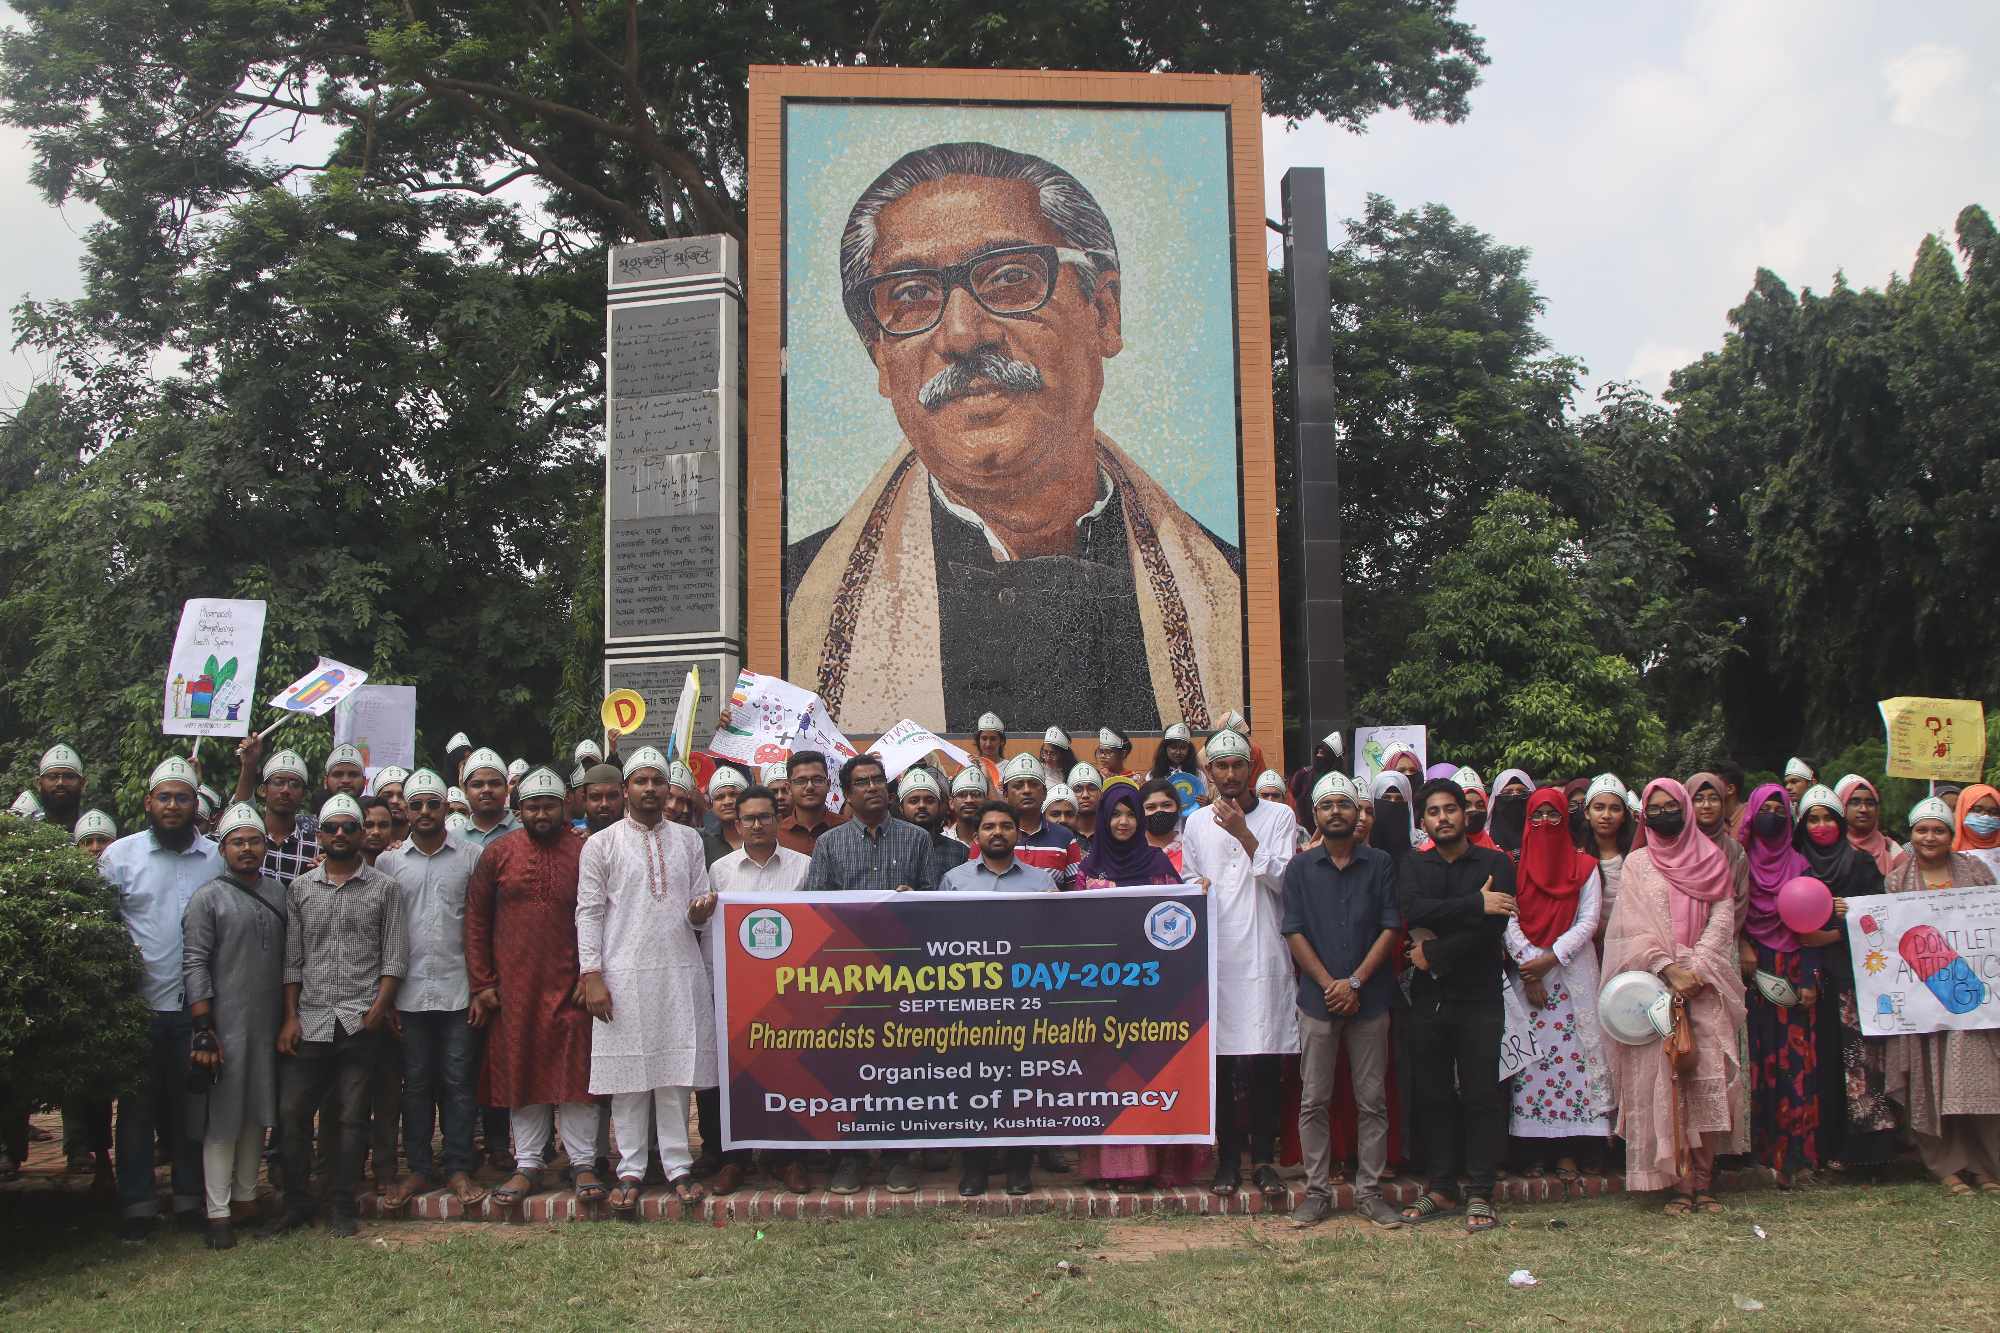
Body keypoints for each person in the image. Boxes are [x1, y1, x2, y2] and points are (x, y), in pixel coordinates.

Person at [785, 142, 1243, 733]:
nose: (962, 334)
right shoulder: (798, 601)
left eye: (1008, 279)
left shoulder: (1232, 592)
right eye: (911, 295)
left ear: (1104, 312)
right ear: (879, 356)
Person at [577, 747, 720, 1216]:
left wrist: (700, 913)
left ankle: (679, 1167)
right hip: (622, 972)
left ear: (667, 789)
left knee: (676, 1074)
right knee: (629, 1077)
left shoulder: (689, 840)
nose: (651, 789)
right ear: (625, 790)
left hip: (679, 969)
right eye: (641, 781)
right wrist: (591, 972)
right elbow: (590, 911)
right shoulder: (601, 845)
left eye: (658, 782)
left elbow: (699, 903)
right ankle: (631, 1169)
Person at [267, 794, 407, 1237]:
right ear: (321, 836)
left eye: (350, 827)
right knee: (291, 1113)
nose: (342, 835)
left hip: (359, 1019)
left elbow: (394, 958)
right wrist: (289, 1017)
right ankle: (296, 1201)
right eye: (333, 829)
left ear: (362, 833)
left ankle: (343, 1205)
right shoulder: (300, 889)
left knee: (351, 1117)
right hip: (311, 1019)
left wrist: (378, 1009)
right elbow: (292, 961)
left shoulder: (385, 889)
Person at [1603, 778, 1745, 1213]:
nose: (1666, 812)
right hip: (1654, 987)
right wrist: (1667, 967)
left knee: (1706, 1078)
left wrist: (1696, 968)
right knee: (1665, 1082)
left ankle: (1704, 1181)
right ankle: (1679, 1183)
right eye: (1656, 807)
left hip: (1706, 984)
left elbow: (1723, 915)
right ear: (1645, 815)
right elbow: (1632, 925)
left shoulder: (1713, 857)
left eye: (1672, 805)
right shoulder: (1638, 864)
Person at [464, 767, 600, 1210]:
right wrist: (482, 983)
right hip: (515, 987)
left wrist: (591, 973)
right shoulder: (497, 855)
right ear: (518, 809)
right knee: (521, 1072)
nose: (541, 813)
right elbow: (477, 921)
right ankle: (528, 1164)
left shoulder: (586, 853)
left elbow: (604, 916)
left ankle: (582, 1162)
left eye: (549, 805)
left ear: (565, 807)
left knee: (576, 1075)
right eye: (532, 806)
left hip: (573, 983)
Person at [99, 756, 221, 1241]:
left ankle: (191, 1200)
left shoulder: (215, 856)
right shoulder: (120, 857)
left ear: (197, 805)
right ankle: (138, 1206)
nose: (173, 805)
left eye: (182, 797)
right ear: (148, 802)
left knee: (192, 1109)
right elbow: (104, 927)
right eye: (164, 797)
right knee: (136, 1110)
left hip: (196, 1009)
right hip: (138, 1007)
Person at [1282, 773, 1404, 1229]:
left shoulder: (1381, 864)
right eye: (1327, 805)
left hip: (1369, 999)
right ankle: (1316, 1193)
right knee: (1314, 1099)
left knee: (1371, 1099)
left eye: (1344, 804)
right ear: (1314, 815)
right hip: (1316, 1000)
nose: (1336, 811)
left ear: (1357, 813)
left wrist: (1354, 982)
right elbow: (1293, 930)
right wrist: (1331, 984)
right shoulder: (1299, 868)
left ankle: (1370, 1192)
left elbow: (1391, 927)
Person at [1395, 778, 1515, 1233]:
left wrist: (1434, 952)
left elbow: (1493, 927)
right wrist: (1474, 902)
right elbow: (1414, 911)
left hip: (1480, 995)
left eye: (1450, 809)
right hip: (1430, 999)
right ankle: (1441, 1186)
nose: (1442, 818)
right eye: (1433, 812)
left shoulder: (1495, 862)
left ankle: (1481, 1190)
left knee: (1482, 1092)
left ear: (1465, 814)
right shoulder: (1413, 865)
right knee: (1434, 1092)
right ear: (1422, 820)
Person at [1181, 728, 1296, 1196]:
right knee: (1223, 1065)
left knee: (1264, 1061)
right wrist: (1195, 887)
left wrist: (1245, 835)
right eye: (1221, 766)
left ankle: (1264, 1161)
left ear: (1251, 769)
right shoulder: (1194, 823)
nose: (1230, 775)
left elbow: (1286, 882)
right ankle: (1228, 1160)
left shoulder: (1280, 816)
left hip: (1265, 953)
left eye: (1238, 766)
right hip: (1217, 956)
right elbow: (1190, 878)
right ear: (1209, 772)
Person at [374, 768, 489, 1213]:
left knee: (460, 1083)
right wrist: (386, 997)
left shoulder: (471, 856)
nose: (424, 812)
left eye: (433, 804)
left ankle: (458, 1166)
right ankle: (420, 1167)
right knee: (416, 1083)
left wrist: (482, 988)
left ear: (446, 807)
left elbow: (480, 927)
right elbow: (384, 931)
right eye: (416, 804)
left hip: (460, 990)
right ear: (406, 808)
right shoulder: (389, 862)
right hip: (408, 994)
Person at [935, 800, 1058, 1196]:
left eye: (1006, 826)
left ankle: (1020, 1169)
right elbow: (938, 937)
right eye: (989, 827)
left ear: (1017, 834)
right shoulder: (954, 880)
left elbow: (1060, 939)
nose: (998, 833)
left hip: (1025, 1000)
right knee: (973, 1085)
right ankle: (975, 1169)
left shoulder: (1041, 882)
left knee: (1022, 1085)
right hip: (970, 1003)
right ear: (977, 834)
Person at [182, 802, 287, 1250]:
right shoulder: (208, 898)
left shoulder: (281, 893)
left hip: (268, 1023)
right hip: (224, 1024)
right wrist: (203, 1025)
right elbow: (194, 962)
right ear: (223, 849)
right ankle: (218, 1210)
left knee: (256, 1114)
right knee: (223, 1119)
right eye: (237, 842)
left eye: (254, 841)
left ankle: (246, 1196)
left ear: (265, 846)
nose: (247, 849)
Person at [1882, 796, 2000, 1194]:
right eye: (1922, 829)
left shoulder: (1976, 871)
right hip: (1924, 1001)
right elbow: (1888, 936)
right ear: (1911, 835)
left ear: (1951, 835)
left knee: (1978, 1082)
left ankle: (1985, 1165)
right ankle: (1947, 1165)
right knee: (1929, 1082)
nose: (1930, 837)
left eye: (1939, 829)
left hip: (1972, 1000)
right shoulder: (1897, 879)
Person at [1504, 789, 1613, 1178]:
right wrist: (1529, 964)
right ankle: (1534, 1149)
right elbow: (1507, 917)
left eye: (1554, 815)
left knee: (1577, 1063)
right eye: (1538, 815)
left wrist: (1550, 958)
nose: (1546, 823)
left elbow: (1589, 921)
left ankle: (1571, 1149)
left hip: (1573, 976)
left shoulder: (1585, 867)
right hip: (1528, 980)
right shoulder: (1513, 866)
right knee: (1531, 1064)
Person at [1794, 782, 1895, 1173]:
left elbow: (1880, 919)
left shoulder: (1860, 864)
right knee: (1820, 1063)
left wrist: (1840, 925)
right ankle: (1825, 1148)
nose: (1821, 826)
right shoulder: (1795, 865)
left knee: (1860, 1064)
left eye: (1828, 819)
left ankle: (1870, 1154)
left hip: (1856, 977)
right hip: (1809, 979)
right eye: (1813, 819)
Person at [1740, 783, 1821, 1187]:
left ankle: (1795, 1158)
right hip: (1748, 972)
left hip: (1790, 969)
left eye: (1780, 807)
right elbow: (1729, 913)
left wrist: (1809, 979)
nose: (1772, 814)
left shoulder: (1801, 866)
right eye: (1765, 807)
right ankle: (1756, 1157)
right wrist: (1742, 946)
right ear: (1752, 815)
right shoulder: (1737, 864)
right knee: (1755, 1064)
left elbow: (1811, 925)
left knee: (1794, 1067)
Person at [232, 744, 318, 885]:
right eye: (279, 782)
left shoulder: (316, 847)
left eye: (294, 784)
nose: (285, 790)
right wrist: (248, 765)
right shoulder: (244, 842)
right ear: (263, 790)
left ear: (303, 795)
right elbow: (239, 811)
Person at [997, 751, 1083, 889]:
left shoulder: (1065, 837)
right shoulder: (991, 835)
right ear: (1005, 794)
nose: (1026, 790)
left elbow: (1075, 892)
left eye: (1033, 784)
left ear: (1044, 793)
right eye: (1018, 786)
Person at [1076, 782, 1179, 889]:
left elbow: (1177, 903)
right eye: (1115, 814)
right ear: (1104, 818)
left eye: (1131, 815)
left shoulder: (1158, 862)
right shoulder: (1089, 868)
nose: (1124, 821)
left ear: (1140, 819)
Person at [1580, 774, 1635, 948]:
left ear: (1625, 815)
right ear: (1587, 813)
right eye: (1599, 807)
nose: (1606, 815)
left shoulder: (1636, 857)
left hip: (1629, 944)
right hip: (1587, 946)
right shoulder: (1578, 857)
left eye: (1615, 809)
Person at [777, 750, 846, 853]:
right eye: (801, 781)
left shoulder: (848, 829)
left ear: (828, 785)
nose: (809, 787)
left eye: (817, 780)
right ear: (788, 788)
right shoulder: (777, 835)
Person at [1831, 774, 1900, 875]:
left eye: (1870, 803)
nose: (1863, 809)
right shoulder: (1831, 850)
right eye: (1855, 803)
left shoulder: (1890, 849)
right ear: (1842, 807)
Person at [458, 747, 519, 849]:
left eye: (495, 784)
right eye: (477, 785)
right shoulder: (453, 839)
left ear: (507, 789)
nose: (486, 790)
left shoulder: (527, 832)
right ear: (465, 791)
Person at [896, 767, 957, 861]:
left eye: (929, 801)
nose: (922, 805)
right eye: (913, 801)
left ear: (939, 805)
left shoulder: (959, 852)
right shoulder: (889, 849)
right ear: (901, 808)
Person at [1151, 722, 1208, 818]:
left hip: (1191, 824)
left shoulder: (1199, 775)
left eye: (1183, 748)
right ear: (1165, 749)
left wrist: (1207, 803)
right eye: (1173, 747)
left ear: (1189, 750)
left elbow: (1204, 806)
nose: (1178, 752)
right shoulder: (1153, 775)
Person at [1138, 779, 1193, 878]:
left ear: (1178, 807)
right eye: (1151, 807)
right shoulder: (1132, 851)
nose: (1159, 811)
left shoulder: (1191, 848)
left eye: (1166, 805)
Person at [35, 742, 85, 829]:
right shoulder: (23, 826)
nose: (60, 783)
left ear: (82, 784)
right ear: (39, 784)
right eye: (52, 777)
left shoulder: (93, 832)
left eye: (69, 776)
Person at [1487, 768, 1533, 857]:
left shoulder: (1540, 830)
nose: (1515, 796)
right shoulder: (1486, 837)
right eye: (1507, 792)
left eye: (1522, 792)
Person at [704, 766, 748, 861]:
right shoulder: (703, 843)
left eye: (733, 794)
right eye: (720, 797)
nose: (727, 801)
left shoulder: (761, 836)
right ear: (712, 804)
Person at [1951, 783, 2000, 862]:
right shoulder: (1943, 850)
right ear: (1962, 811)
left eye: (1994, 812)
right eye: (1977, 810)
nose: (1985, 816)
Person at [945, 764, 988, 846]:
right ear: (951, 803)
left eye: (976, 795)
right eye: (962, 795)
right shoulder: (938, 844)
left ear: (986, 802)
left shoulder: (995, 842)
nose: (969, 800)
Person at [1067, 761, 1104, 849]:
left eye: (1092, 788)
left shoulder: (1111, 832)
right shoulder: (1063, 834)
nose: (1085, 795)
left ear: (1101, 794)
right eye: (1078, 789)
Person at [581, 762, 625, 834]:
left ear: (624, 796)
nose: (604, 804)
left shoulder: (639, 837)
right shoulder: (574, 838)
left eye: (612, 796)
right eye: (595, 797)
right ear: (584, 799)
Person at [373, 765, 411, 842]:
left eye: (402, 796)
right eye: (387, 796)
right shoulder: (363, 844)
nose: (395, 801)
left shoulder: (425, 839)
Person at [970, 714, 1006, 793]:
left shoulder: (1009, 767)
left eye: (993, 739)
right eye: (984, 738)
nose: (988, 744)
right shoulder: (970, 766)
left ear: (1001, 741)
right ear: (978, 741)